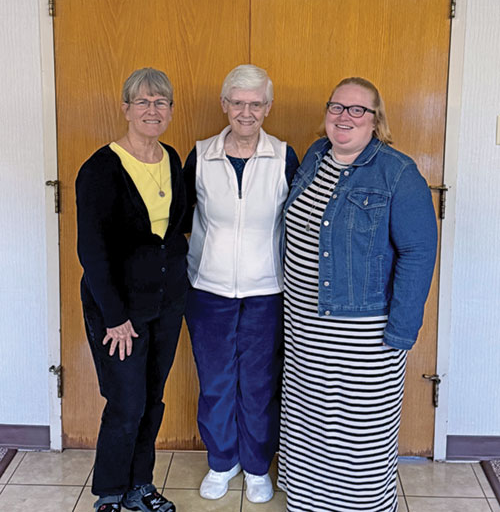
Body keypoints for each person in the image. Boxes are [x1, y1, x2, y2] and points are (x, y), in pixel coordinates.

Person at [278, 77, 438, 512]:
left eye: (357, 110)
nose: (344, 117)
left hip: (364, 332)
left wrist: (401, 331)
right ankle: (309, 503)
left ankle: (360, 505)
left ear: (375, 120)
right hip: (305, 324)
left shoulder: (397, 172)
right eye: (337, 107)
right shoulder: (315, 157)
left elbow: (419, 252)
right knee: (310, 422)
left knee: (358, 430)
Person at [183, 64, 299, 504]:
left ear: (268, 108)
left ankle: (255, 466)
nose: (246, 112)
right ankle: (221, 461)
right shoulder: (200, 155)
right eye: (237, 102)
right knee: (215, 381)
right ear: (223, 105)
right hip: (207, 291)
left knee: (258, 383)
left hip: (268, 291)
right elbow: (179, 221)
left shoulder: (285, 156)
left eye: (255, 104)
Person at [76, 68, 188, 512]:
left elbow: (173, 232)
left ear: (170, 111)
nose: (152, 110)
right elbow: (93, 252)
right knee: (126, 403)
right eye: (142, 101)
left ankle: (140, 485)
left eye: (161, 102)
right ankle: (109, 493)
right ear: (125, 108)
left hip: (166, 303)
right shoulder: (101, 168)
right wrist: (116, 317)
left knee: (152, 401)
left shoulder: (172, 158)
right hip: (118, 311)